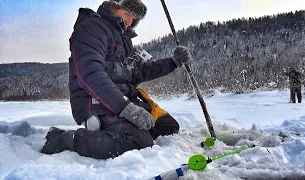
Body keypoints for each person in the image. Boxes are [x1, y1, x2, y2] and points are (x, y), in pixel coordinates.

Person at [41, 0, 192, 159]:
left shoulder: (124, 39)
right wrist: (127, 109)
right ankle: (64, 139)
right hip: (97, 104)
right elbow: (90, 73)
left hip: (124, 101)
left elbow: (138, 72)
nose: (129, 21)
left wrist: (174, 62)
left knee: (168, 127)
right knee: (138, 141)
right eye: (127, 14)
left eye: (133, 19)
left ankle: (121, 132)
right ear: (113, 8)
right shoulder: (91, 28)